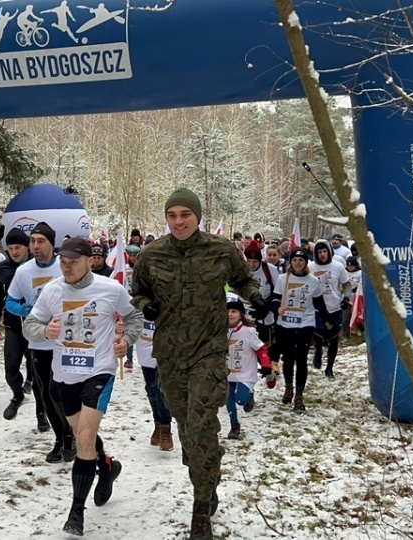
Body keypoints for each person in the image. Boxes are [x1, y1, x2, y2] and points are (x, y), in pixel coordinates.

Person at [130, 188, 268, 540]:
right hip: (170, 354)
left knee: (202, 425)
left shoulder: (221, 250)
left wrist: (255, 297)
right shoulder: (151, 253)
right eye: (172, 215)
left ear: (197, 216)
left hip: (208, 350)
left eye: (185, 214)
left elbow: (243, 278)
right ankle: (208, 472)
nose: (178, 221)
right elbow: (139, 290)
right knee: (187, 429)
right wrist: (147, 305)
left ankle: (200, 507)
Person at [23, 237, 144, 536]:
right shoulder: (52, 290)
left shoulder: (110, 289)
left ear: (89, 260)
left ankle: (76, 512)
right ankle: (106, 466)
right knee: (82, 436)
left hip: (99, 372)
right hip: (64, 375)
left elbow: (134, 317)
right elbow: (30, 325)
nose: (66, 267)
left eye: (73, 262)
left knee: (85, 437)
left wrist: (126, 341)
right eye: (63, 262)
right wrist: (43, 330)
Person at [7, 222, 74, 463]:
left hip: (65, 341)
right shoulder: (23, 272)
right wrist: (23, 308)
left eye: (40, 241)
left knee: (60, 393)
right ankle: (60, 438)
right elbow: (10, 301)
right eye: (32, 241)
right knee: (45, 395)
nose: (35, 246)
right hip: (37, 341)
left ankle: (71, 435)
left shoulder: (64, 266)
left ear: (51, 243)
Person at [0, 228, 47, 427]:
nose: (14, 252)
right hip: (13, 324)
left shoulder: (37, 266)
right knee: (10, 368)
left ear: (28, 247)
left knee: (38, 372)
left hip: (37, 326)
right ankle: (17, 395)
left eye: (19, 248)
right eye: (11, 248)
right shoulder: (3, 268)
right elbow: (0, 294)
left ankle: (42, 412)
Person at [271, 247, 329, 413]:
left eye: (301, 260)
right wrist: (277, 308)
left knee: (301, 358)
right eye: (295, 260)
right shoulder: (283, 279)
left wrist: (329, 321)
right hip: (286, 323)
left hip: (305, 323)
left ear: (305, 263)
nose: (297, 263)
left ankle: (299, 395)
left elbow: (319, 304)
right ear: (291, 262)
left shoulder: (313, 281)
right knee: (288, 358)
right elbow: (274, 299)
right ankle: (288, 388)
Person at [223, 296, 272, 440]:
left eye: (234, 311)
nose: (230, 314)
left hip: (245, 372)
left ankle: (249, 396)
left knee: (241, 400)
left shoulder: (248, 331)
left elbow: (261, 349)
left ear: (241, 315)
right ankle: (234, 426)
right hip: (227, 371)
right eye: (228, 311)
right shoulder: (220, 330)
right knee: (229, 400)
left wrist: (266, 364)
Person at [309, 239, 350, 379]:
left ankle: (329, 368)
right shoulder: (310, 267)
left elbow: (347, 285)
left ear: (329, 252)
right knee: (319, 335)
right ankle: (318, 351)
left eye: (324, 251)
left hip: (334, 307)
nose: (322, 254)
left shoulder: (338, 267)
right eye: (319, 252)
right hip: (316, 309)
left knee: (333, 339)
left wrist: (346, 298)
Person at [136, 310, 173, 451]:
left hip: (165, 350)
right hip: (145, 349)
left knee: (160, 388)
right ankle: (157, 423)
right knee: (151, 389)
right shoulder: (139, 301)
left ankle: (165, 427)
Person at [244, 241, 279, 347]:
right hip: (245, 312)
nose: (251, 265)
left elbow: (278, 291)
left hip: (265, 314)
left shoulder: (270, 270)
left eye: (255, 261)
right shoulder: (240, 270)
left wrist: (266, 305)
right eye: (248, 261)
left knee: (263, 346)